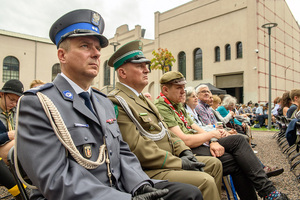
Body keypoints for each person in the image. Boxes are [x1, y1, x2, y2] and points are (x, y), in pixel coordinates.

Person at [16, 10, 202, 200]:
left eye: (97, 48)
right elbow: (54, 179)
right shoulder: (38, 103)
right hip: (81, 196)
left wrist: (139, 185)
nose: (96, 53)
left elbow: (121, 151)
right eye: (85, 46)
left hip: (122, 187)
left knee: (190, 194)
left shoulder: (102, 101)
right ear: (62, 55)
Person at [107, 40, 220, 200]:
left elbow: (166, 131)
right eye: (139, 66)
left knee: (214, 165)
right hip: (149, 168)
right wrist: (179, 162)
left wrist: (184, 151)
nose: (147, 70)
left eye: (146, 65)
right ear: (122, 73)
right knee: (205, 181)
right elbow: (137, 148)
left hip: (169, 160)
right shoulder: (117, 101)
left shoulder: (142, 99)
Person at [154, 71, 289, 200]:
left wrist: (213, 139)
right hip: (186, 151)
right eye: (179, 88)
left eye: (184, 87)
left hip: (199, 144)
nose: (183, 91)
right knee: (238, 149)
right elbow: (184, 141)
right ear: (165, 90)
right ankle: (269, 193)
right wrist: (212, 135)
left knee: (239, 144)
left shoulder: (176, 105)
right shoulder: (162, 107)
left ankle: (269, 193)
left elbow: (198, 128)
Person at [0, 79, 24, 200]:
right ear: (1, 94)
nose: (14, 104)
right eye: (11, 99)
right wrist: (7, 136)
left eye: (17, 101)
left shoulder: (17, 111)